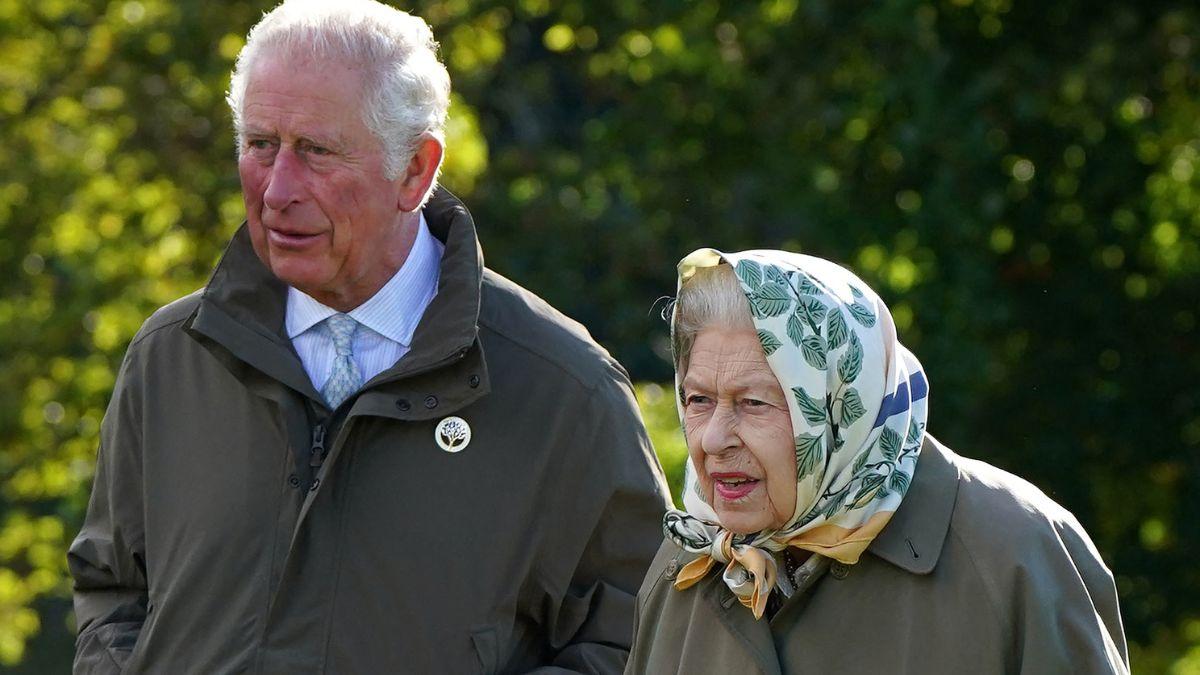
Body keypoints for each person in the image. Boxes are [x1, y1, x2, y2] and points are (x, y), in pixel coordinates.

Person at [67, 1, 671, 672]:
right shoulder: (171, 357)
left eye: (317, 152)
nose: (277, 190)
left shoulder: (566, 391)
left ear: (415, 169)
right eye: (260, 145)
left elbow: (636, 642)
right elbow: (110, 590)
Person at [625, 248, 1129, 674]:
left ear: (843, 405)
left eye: (754, 403)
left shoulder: (1015, 550)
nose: (713, 439)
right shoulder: (684, 563)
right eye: (698, 401)